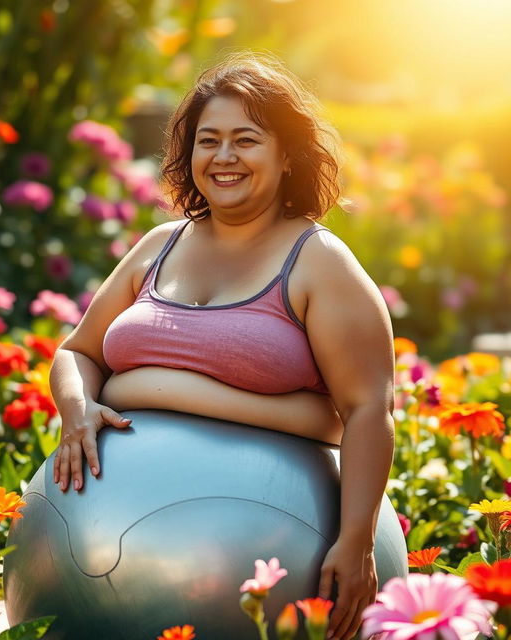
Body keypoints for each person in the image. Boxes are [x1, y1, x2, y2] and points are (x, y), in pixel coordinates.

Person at [48, 52, 395, 640]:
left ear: (287, 155)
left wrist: (356, 540)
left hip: (269, 540)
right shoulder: (158, 245)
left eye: (246, 139)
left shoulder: (318, 262)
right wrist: (78, 408)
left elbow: (365, 410)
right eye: (208, 140)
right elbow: (78, 352)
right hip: (99, 536)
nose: (224, 157)